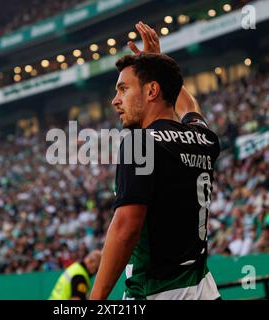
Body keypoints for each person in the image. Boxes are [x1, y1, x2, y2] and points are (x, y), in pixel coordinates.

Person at [90, 22, 221, 300]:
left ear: (151, 91)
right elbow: (190, 108)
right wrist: (160, 64)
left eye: (123, 89)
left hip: (156, 291)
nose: (115, 100)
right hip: (203, 288)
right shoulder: (205, 138)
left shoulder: (140, 143)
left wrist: (96, 298)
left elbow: (126, 228)